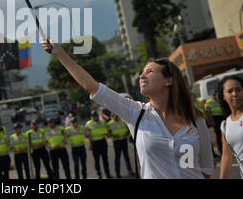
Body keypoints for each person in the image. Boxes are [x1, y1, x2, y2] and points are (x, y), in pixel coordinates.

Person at [41, 39, 214, 179]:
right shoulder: (135, 113)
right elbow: (92, 86)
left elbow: (205, 170)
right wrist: (60, 54)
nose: (142, 75)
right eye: (142, 72)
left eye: (150, 72)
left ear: (169, 80)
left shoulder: (195, 120)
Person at [85, 110, 112, 179]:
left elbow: (109, 130)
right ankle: (99, 175)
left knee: (105, 159)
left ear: (97, 116)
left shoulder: (103, 122)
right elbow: (87, 135)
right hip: (94, 143)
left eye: (95, 116)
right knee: (96, 160)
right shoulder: (88, 124)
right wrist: (90, 144)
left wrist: (109, 134)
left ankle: (108, 174)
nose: (94, 117)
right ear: (91, 117)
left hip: (103, 141)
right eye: (92, 116)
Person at [108, 112, 134, 178]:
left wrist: (127, 133)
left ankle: (130, 171)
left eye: (117, 115)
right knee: (117, 157)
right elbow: (108, 134)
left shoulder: (122, 121)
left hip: (124, 140)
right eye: (115, 116)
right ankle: (117, 173)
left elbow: (128, 128)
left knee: (126, 156)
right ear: (112, 116)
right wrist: (114, 135)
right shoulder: (110, 123)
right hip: (116, 141)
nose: (117, 117)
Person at [205, 90, 225, 157]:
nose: (214, 96)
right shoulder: (208, 102)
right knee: (218, 135)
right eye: (212, 95)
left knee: (224, 135)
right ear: (210, 96)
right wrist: (211, 121)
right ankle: (220, 150)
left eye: (214, 95)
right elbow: (208, 113)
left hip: (221, 118)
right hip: (215, 119)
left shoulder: (219, 101)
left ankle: (225, 150)